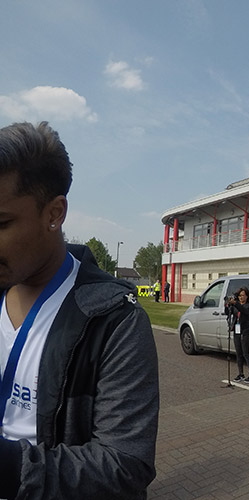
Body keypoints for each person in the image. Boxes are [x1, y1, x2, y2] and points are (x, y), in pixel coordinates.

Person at [0, 121, 159, 498]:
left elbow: (125, 465)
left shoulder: (116, 321)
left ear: (54, 214)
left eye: (1, 223)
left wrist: (9, 470)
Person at [227, 286, 249, 383]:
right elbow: (228, 313)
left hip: (246, 331)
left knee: (246, 354)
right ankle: (241, 374)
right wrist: (228, 305)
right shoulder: (236, 306)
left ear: (247, 296)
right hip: (237, 331)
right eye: (239, 296)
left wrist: (236, 303)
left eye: (243, 296)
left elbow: (244, 310)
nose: (241, 297)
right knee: (238, 354)